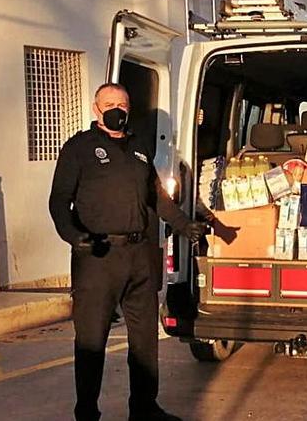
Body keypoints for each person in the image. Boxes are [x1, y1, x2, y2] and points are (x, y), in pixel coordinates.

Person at [49, 83, 208, 421]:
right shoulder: (79, 148)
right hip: (98, 256)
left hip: (139, 256)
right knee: (92, 340)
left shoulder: (138, 148)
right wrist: (72, 235)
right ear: (96, 109)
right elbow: (59, 200)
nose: (116, 109)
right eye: (109, 104)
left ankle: (145, 408)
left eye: (122, 103)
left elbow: (157, 198)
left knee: (145, 341)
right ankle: (87, 412)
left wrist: (183, 225)